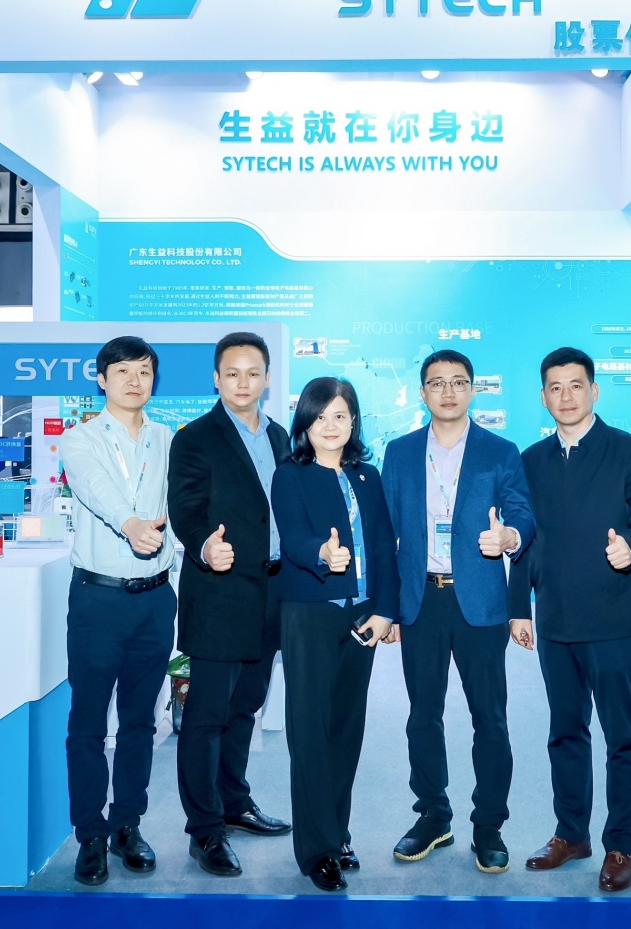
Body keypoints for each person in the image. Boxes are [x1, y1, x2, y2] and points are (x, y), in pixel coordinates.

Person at [512, 347, 631, 894]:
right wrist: (518, 607)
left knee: (623, 736)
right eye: (555, 387)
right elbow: (523, 538)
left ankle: (621, 845)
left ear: (594, 390)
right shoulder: (530, 460)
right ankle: (571, 834)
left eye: (576, 385)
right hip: (555, 619)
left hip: (615, 617)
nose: (566, 396)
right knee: (565, 733)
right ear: (543, 397)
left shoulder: (629, 450)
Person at [382, 350, 537, 874]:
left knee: (489, 719)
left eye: (458, 382)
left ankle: (489, 825)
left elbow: (523, 515)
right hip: (421, 600)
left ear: (473, 390)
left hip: (482, 604)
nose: (447, 392)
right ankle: (433, 816)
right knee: (422, 716)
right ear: (422, 393)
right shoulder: (400, 452)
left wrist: (509, 536)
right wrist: (387, 607)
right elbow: (383, 535)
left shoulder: (500, 451)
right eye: (436, 383)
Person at [167, 332, 293, 878]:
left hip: (272, 593)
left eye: (253, 373)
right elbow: (185, 509)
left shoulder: (282, 436)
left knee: (247, 707)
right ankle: (205, 831)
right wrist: (204, 546)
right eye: (232, 373)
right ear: (216, 379)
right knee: (206, 717)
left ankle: (234, 803)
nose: (243, 383)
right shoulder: (195, 438)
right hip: (219, 593)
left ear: (267, 379)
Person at [270, 377, 399, 892]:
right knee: (310, 732)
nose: (330, 425)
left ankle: (337, 833)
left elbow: (385, 546)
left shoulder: (368, 476)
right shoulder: (290, 475)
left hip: (362, 617)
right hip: (310, 615)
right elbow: (294, 537)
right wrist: (322, 555)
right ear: (305, 422)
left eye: (340, 416)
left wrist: (386, 610)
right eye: (320, 416)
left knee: (346, 731)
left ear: (353, 422)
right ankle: (316, 849)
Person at [58, 336, 177, 886]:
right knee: (87, 722)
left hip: (155, 600)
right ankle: (90, 835)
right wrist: (130, 523)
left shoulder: (167, 439)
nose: (134, 380)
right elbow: (96, 487)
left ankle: (128, 824)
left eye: (144, 371)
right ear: (102, 379)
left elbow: (183, 506)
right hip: (98, 600)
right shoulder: (80, 439)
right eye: (123, 370)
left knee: (139, 721)